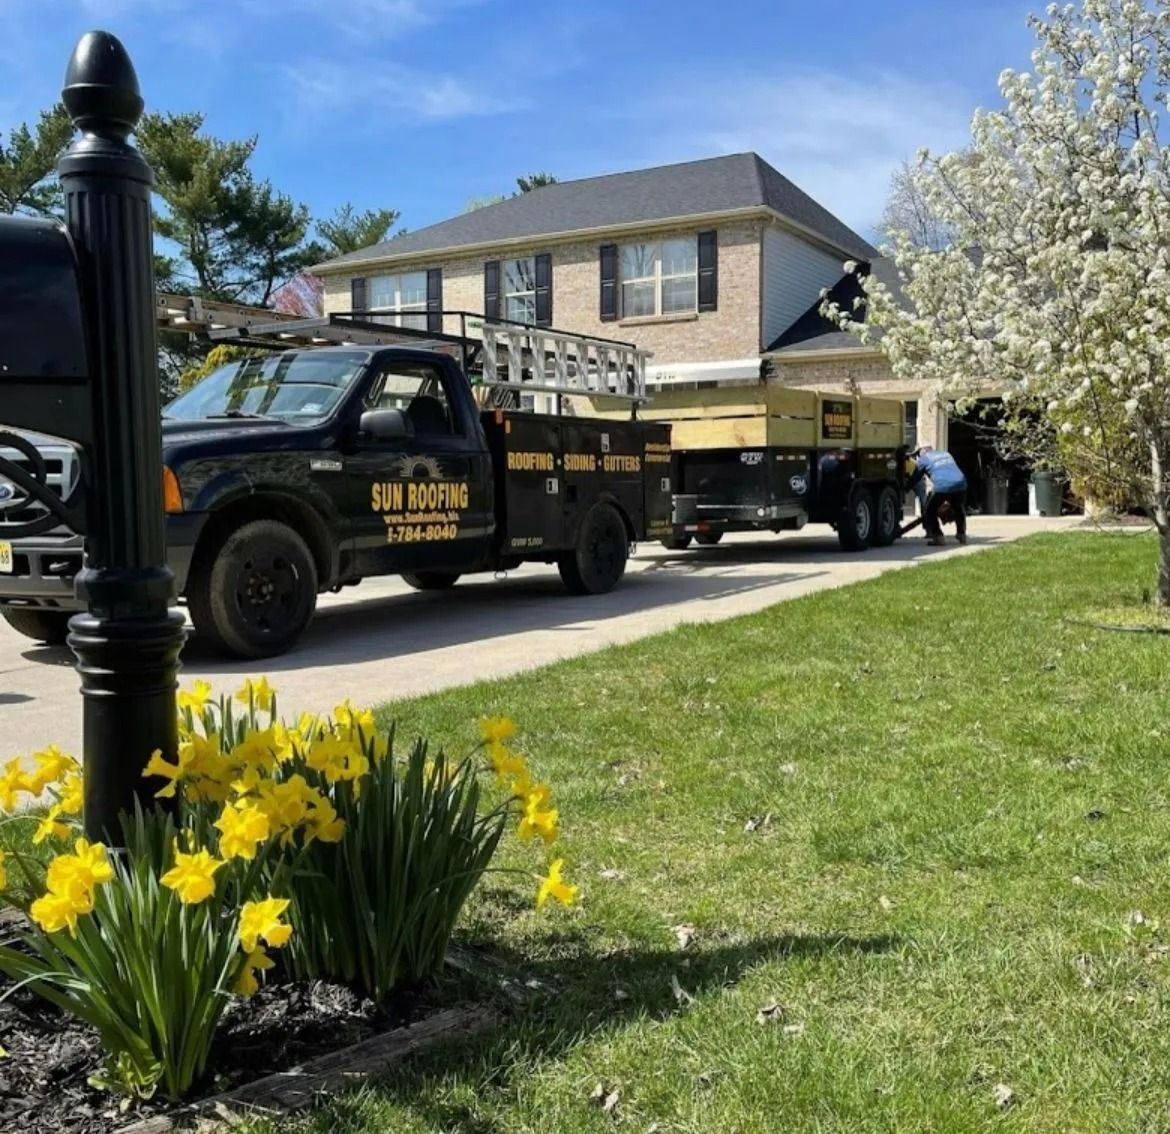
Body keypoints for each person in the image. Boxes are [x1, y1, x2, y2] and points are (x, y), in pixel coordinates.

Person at [907, 445, 967, 546]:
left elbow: (916, 477)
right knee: (958, 507)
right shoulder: (946, 454)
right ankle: (961, 535)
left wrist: (906, 487)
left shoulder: (924, 459)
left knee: (929, 510)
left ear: (922, 452)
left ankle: (938, 537)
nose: (917, 458)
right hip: (961, 483)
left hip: (942, 485)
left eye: (918, 455)